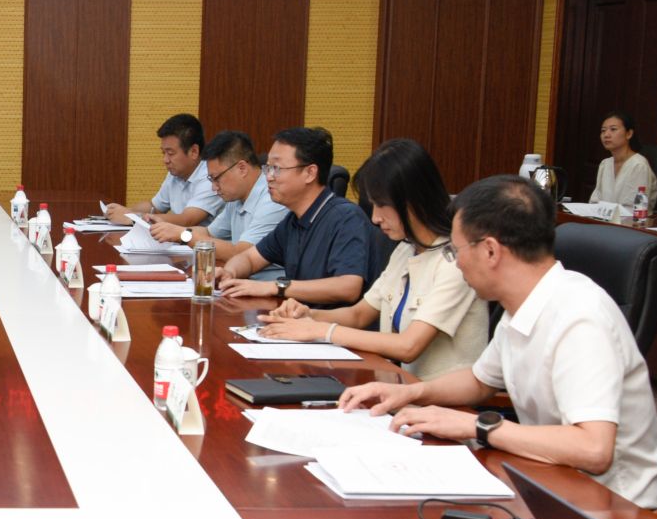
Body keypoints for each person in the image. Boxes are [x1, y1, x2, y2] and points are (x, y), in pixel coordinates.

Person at [339, 174, 657, 509]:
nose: (456, 262)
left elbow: (593, 449)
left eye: (456, 250)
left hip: (616, 512)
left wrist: (475, 426)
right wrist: (410, 393)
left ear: (491, 250)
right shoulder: (521, 304)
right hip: (549, 484)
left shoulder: (580, 316)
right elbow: (479, 380)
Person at [257, 138, 485, 380]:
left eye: (382, 205)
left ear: (414, 200)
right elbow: (359, 314)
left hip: (441, 397)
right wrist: (307, 316)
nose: (375, 218)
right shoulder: (405, 250)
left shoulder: (456, 262)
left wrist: (323, 330)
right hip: (397, 386)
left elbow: (408, 346)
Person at [215, 126, 374, 305]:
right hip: (295, 317)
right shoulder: (293, 220)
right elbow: (250, 258)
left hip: (326, 321)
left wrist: (277, 287)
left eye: (276, 168)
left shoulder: (346, 218)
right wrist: (230, 273)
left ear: (310, 173)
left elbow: (348, 287)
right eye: (268, 168)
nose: (269, 177)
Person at [159, 130, 286, 280]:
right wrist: (169, 231)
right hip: (240, 282)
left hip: (269, 288)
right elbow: (208, 232)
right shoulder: (236, 197)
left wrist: (183, 235)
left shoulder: (272, 198)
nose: (214, 187)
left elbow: (241, 253)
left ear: (242, 168)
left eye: (216, 178)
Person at [105, 113, 221, 227]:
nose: (165, 160)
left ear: (194, 151)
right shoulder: (176, 173)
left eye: (170, 153)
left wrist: (133, 217)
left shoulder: (211, 177)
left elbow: (187, 220)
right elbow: (154, 207)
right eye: (163, 152)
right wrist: (123, 211)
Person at [591, 111, 656, 208]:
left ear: (629, 134)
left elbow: (636, 207)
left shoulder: (639, 165)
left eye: (613, 129)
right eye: (603, 130)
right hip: (602, 216)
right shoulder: (605, 164)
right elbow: (595, 200)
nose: (606, 135)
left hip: (629, 217)